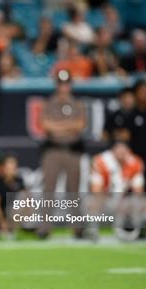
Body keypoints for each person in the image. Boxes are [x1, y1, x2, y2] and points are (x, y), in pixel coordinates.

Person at [39, 69, 86, 238]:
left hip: (72, 151)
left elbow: (80, 125)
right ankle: (45, 228)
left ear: (70, 85)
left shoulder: (77, 104)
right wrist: (68, 126)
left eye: (66, 83)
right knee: (49, 189)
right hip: (53, 150)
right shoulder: (49, 103)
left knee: (73, 190)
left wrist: (58, 127)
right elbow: (45, 125)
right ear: (56, 85)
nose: (63, 87)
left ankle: (78, 228)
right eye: (60, 83)